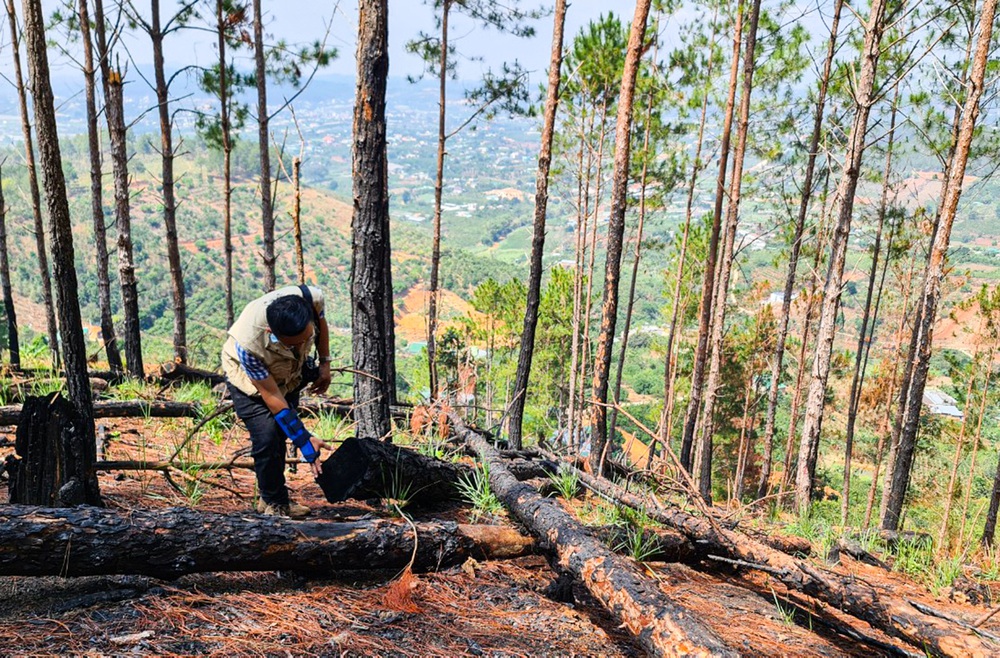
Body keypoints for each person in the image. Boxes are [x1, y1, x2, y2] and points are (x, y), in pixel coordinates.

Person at [221, 285, 333, 518]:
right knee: (268, 434)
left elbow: (321, 325)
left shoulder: (311, 299)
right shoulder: (248, 345)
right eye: (292, 343)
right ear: (271, 331)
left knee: (281, 432)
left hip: (288, 371)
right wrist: (304, 440)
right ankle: (275, 502)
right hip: (250, 380)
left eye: (304, 339)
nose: (300, 345)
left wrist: (324, 363)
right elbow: (273, 398)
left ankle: (270, 496)